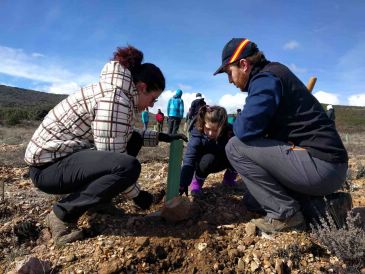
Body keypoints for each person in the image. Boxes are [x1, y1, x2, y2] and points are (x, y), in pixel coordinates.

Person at [24, 45, 187, 245]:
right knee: (128, 166)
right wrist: (138, 196)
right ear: (142, 87)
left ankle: (99, 204)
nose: (151, 105)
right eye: (153, 99)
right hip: (47, 169)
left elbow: (126, 136)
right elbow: (114, 158)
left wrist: (162, 136)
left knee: (131, 144)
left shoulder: (119, 94)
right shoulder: (115, 99)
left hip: (58, 161)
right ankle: (61, 215)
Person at [214, 38, 348, 233]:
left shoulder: (265, 79)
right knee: (253, 200)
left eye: (229, 72)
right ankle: (322, 208)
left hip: (322, 165)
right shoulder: (273, 74)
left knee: (235, 147)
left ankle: (286, 215)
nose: (229, 80)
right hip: (327, 167)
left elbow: (244, 129)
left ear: (243, 65)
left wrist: (240, 119)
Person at [179, 105, 238, 197]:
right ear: (203, 124)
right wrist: (183, 182)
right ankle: (197, 183)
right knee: (208, 159)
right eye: (208, 128)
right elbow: (189, 158)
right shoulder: (197, 135)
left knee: (238, 151)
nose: (210, 133)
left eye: (215, 130)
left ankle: (229, 180)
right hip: (203, 163)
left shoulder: (229, 132)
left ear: (223, 126)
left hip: (222, 159)